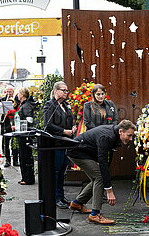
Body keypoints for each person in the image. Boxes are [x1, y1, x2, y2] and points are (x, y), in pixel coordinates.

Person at [67, 119, 136, 224]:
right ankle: (95, 214)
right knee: (99, 177)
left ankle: (77, 203)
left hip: (83, 152)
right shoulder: (107, 136)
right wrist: (109, 190)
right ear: (121, 131)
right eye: (129, 135)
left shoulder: (114, 134)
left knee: (97, 178)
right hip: (76, 152)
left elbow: (107, 159)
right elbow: (103, 161)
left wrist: (106, 177)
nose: (131, 139)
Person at [43, 81, 77, 209]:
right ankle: (55, 198)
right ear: (56, 91)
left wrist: (72, 128)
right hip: (56, 143)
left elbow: (69, 121)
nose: (66, 92)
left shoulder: (65, 105)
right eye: (63, 90)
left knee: (63, 171)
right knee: (56, 171)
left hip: (66, 142)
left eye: (67, 90)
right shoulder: (50, 105)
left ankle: (61, 196)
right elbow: (48, 124)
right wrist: (63, 131)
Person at [16, 87, 37, 185]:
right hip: (23, 134)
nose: (17, 95)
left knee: (25, 156)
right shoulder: (24, 104)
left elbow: (29, 120)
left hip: (26, 134)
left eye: (19, 93)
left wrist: (21, 125)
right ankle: (25, 177)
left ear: (23, 95)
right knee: (23, 156)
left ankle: (28, 178)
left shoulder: (26, 105)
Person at [0, 85, 20, 167]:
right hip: (5, 123)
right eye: (7, 91)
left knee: (14, 143)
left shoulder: (17, 100)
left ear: (13, 91)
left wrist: (14, 108)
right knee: (5, 143)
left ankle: (15, 160)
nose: (9, 93)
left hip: (14, 123)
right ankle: (7, 160)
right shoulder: (2, 100)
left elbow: (18, 111)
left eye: (10, 91)